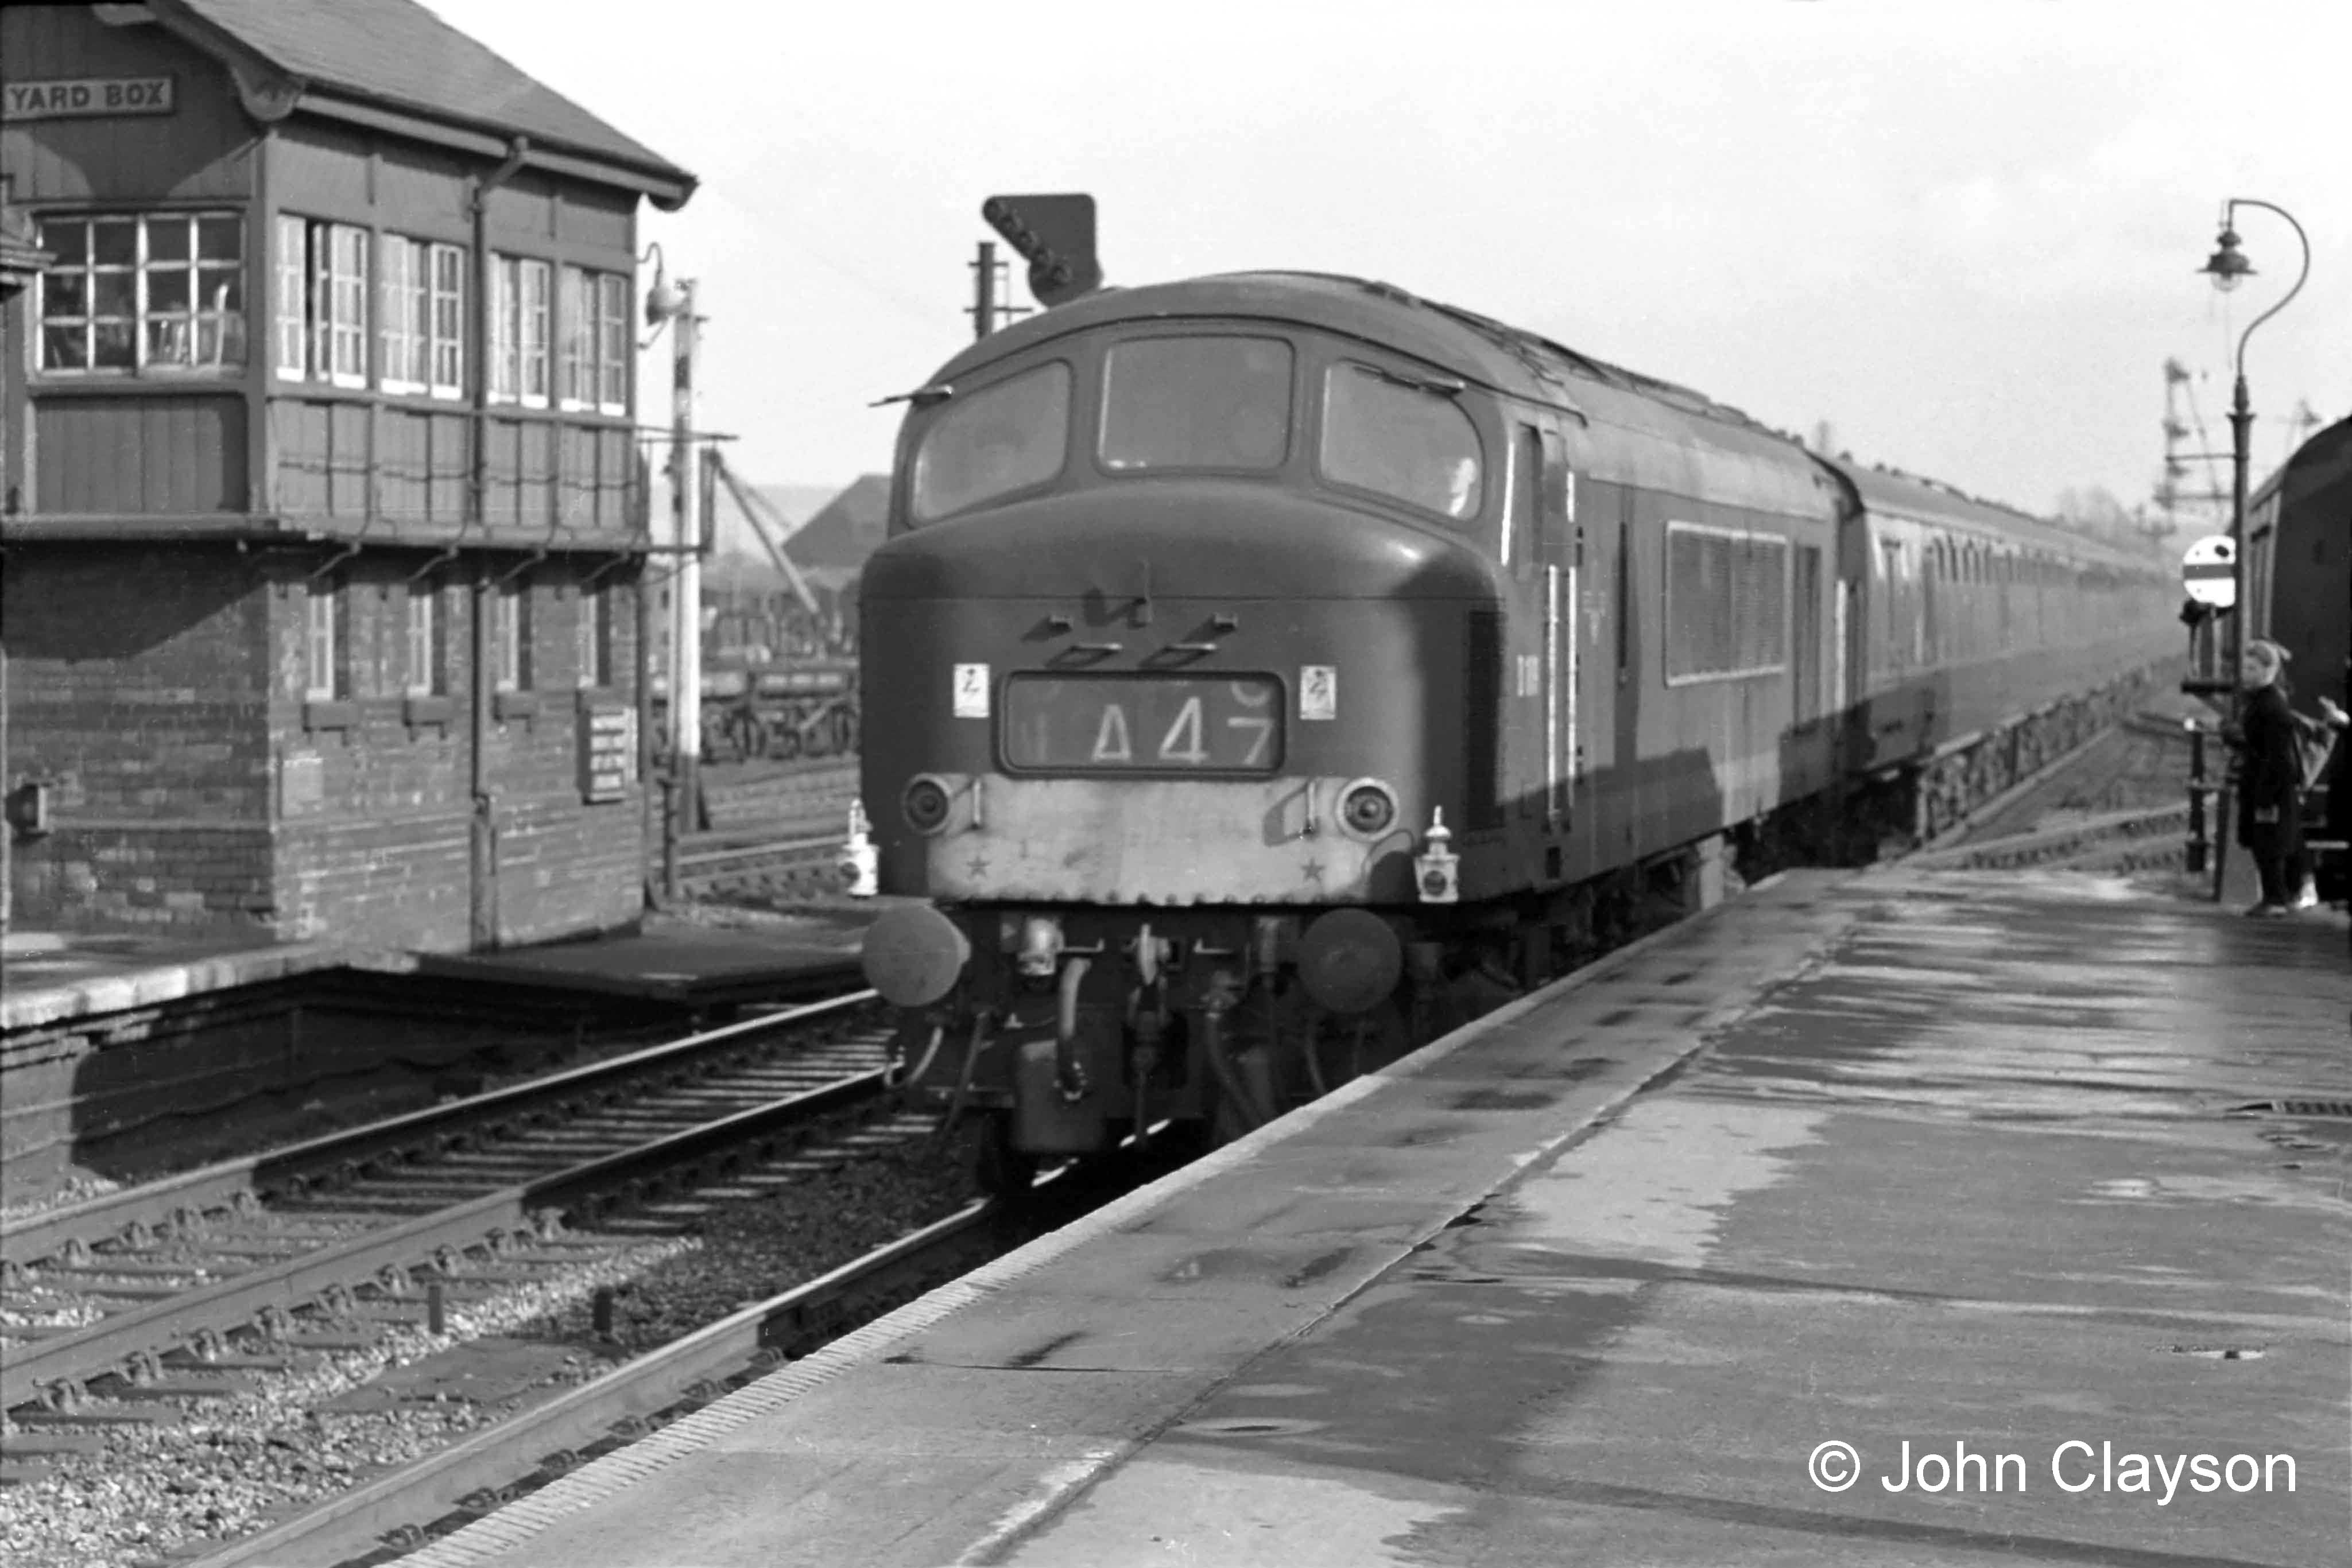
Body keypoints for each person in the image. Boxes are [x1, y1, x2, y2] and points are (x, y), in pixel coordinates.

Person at [2232, 639, 2343, 915]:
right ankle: (2286, 895)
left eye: (2253, 669)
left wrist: (2266, 794)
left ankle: (2276, 898)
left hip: (2271, 790)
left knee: (2269, 844)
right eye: (2245, 668)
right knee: (2276, 842)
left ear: (2269, 671)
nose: (2246, 674)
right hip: (2270, 787)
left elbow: (2278, 756)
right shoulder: (2265, 703)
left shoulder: (2269, 706)